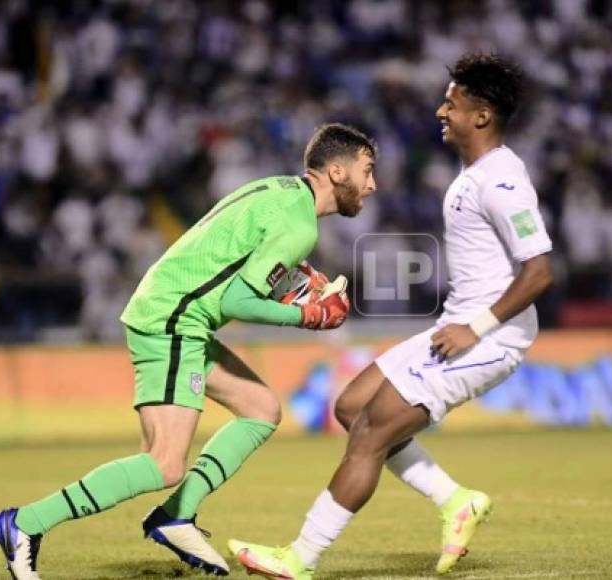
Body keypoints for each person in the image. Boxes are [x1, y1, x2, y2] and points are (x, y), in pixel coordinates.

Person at [0, 123, 377, 579]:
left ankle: (175, 516)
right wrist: (307, 316)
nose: (371, 184)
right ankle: (25, 524)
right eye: (366, 170)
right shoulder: (298, 225)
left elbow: (229, 252)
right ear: (336, 170)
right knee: (164, 462)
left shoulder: (277, 190)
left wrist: (291, 279)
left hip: (173, 310)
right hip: (173, 320)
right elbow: (236, 299)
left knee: (260, 409)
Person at [228, 53, 553, 578]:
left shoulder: (502, 180)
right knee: (353, 406)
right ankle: (456, 500)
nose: (441, 110)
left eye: (452, 102)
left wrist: (477, 328)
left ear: (482, 116)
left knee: (371, 433)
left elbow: (539, 273)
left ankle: (299, 559)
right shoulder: (476, 174)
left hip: (488, 337)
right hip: (459, 325)